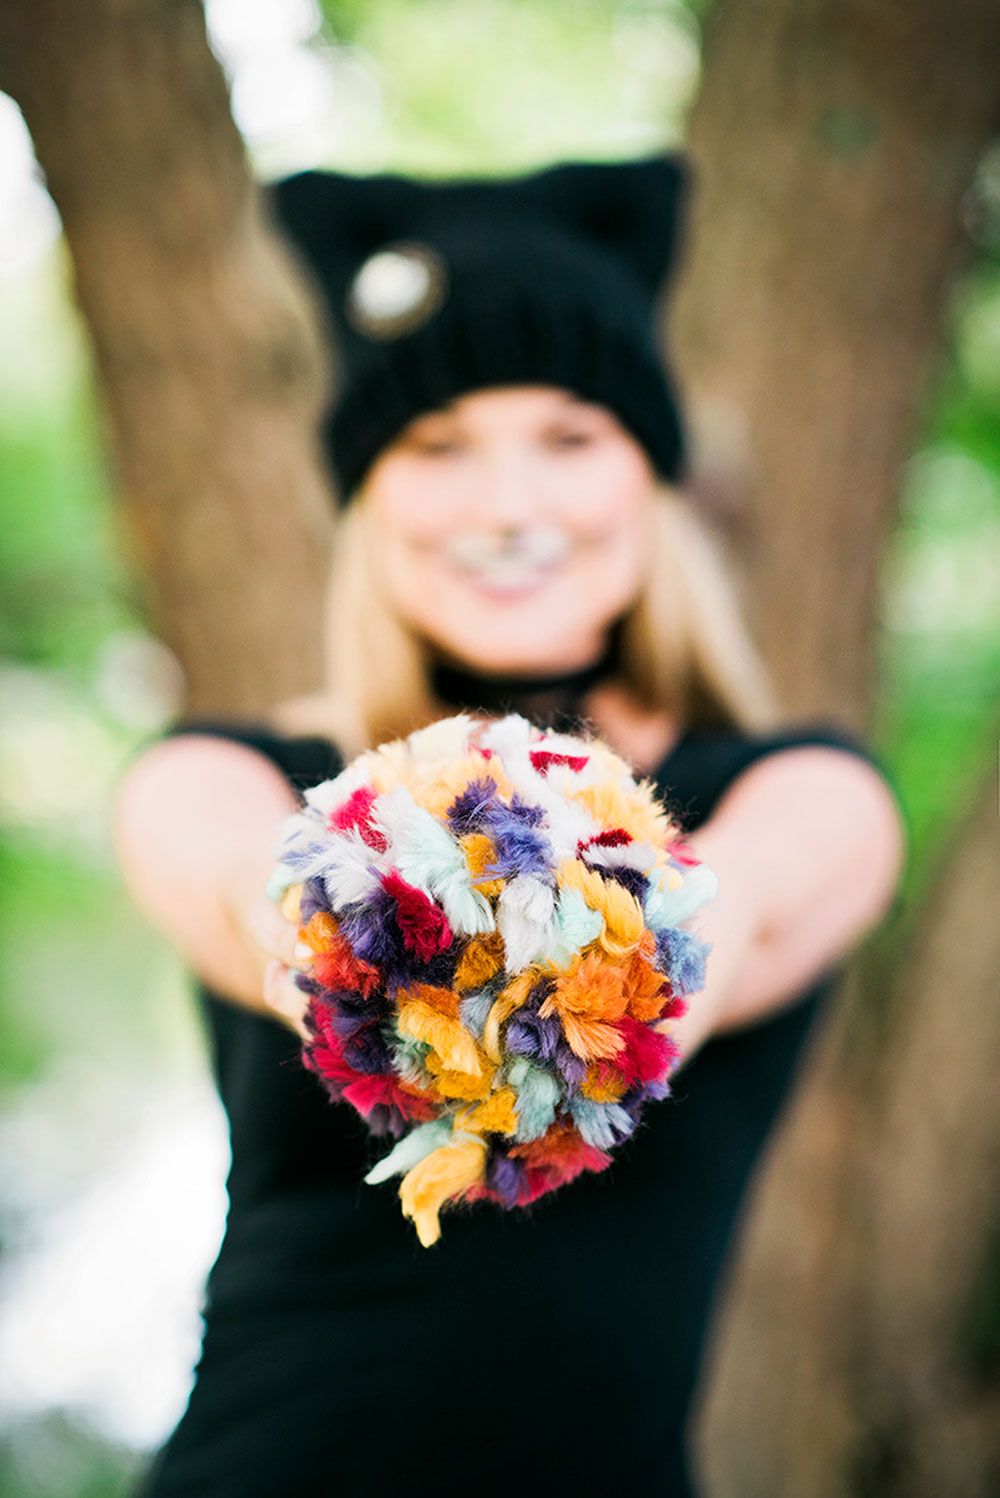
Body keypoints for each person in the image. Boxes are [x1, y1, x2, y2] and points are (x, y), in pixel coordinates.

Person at [111, 152, 906, 1497]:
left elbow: (714, 934)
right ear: (370, 503)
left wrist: (564, 929)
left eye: (570, 438)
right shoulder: (223, 773)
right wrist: (358, 914)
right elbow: (268, 920)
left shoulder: (807, 793)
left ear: (649, 483)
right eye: (437, 447)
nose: (506, 504)